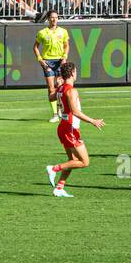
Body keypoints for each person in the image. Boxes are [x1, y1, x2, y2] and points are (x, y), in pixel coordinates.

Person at [45, 61, 104, 198]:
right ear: (72, 73)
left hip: (63, 127)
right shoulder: (71, 90)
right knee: (84, 162)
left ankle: (59, 188)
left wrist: (56, 85)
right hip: (70, 128)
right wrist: (93, 121)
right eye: (76, 71)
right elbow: (75, 112)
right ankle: (53, 168)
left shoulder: (61, 88)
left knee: (71, 160)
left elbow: (50, 97)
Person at [33, 10, 70, 123]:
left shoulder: (63, 31)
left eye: (56, 17)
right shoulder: (42, 33)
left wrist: (64, 57)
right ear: (48, 19)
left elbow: (66, 45)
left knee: (60, 86)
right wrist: (41, 60)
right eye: (52, 17)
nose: (54, 19)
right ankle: (55, 114)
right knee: (51, 88)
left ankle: (61, 110)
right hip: (48, 61)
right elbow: (35, 47)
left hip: (59, 61)